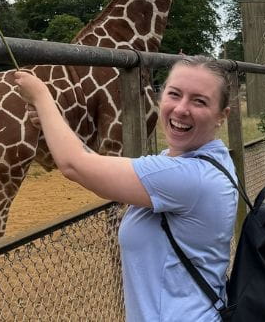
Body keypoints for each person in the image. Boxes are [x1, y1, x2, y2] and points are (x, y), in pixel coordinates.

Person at [13, 56, 238, 322]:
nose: (180, 109)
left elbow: (75, 166)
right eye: (174, 94)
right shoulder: (206, 160)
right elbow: (96, 168)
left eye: (199, 101)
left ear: (222, 116)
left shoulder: (190, 177)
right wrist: (52, 122)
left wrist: (41, 96)